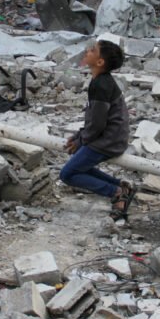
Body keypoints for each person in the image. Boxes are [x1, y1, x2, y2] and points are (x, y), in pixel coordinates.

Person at [60, 40, 135, 219]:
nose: (87, 51)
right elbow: (94, 119)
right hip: (108, 136)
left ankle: (116, 192)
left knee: (68, 174)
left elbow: (98, 123)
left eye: (92, 50)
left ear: (100, 62)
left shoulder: (101, 85)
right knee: (78, 166)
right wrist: (80, 135)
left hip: (108, 140)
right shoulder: (100, 81)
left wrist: (81, 140)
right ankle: (122, 186)